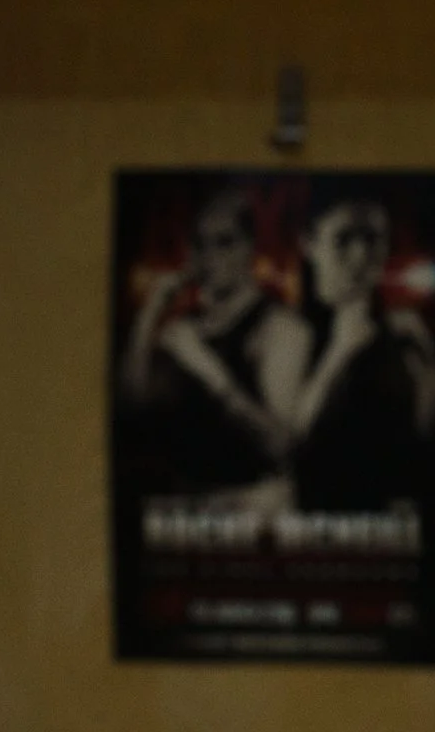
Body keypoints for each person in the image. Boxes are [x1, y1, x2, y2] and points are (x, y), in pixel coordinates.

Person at [117, 187, 308, 508]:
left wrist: (210, 371)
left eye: (224, 242)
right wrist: (148, 316)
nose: (210, 256)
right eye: (200, 244)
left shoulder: (279, 327)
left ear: (248, 248)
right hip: (182, 502)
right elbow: (131, 410)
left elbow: (280, 446)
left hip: (251, 504)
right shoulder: (184, 329)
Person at [285, 193, 435, 513]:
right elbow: (283, 451)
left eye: (373, 239)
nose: (361, 256)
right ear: (310, 243)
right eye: (343, 240)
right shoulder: (287, 328)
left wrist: (428, 366)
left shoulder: (402, 329)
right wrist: (339, 354)